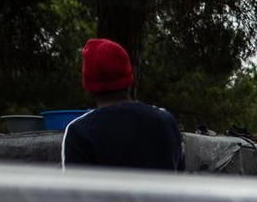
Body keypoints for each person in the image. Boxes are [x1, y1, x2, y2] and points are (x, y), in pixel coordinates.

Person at [61, 38, 185, 172]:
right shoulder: (166, 121)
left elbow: (74, 191)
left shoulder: (79, 132)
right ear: (130, 77)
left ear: (88, 86)